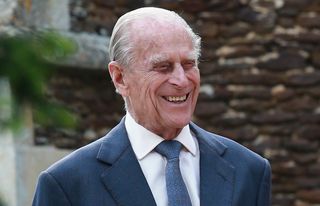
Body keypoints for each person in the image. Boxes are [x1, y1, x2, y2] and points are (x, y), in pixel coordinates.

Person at [32, 7, 271, 206]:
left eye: (189, 65)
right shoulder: (67, 185)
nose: (181, 80)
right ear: (120, 78)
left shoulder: (248, 170)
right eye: (163, 67)